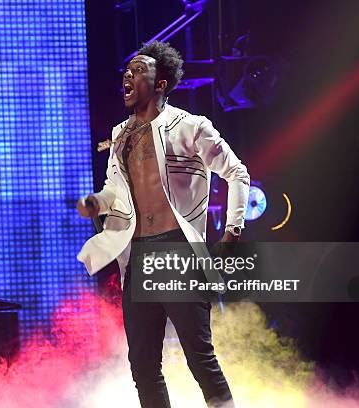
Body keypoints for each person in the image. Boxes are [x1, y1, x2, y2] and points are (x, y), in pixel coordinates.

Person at [77, 41, 250, 408]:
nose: (128, 75)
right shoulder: (120, 135)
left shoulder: (190, 126)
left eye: (138, 70)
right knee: (142, 366)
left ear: (161, 84)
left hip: (179, 252)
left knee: (199, 360)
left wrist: (232, 229)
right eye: (127, 70)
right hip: (137, 258)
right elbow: (114, 191)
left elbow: (236, 173)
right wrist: (98, 203)